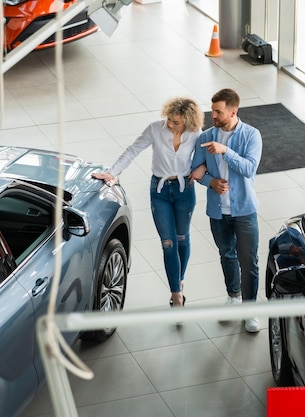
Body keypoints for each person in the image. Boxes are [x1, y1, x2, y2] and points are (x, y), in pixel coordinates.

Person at [92, 97, 204, 308]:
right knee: (168, 244)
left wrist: (203, 169)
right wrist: (112, 173)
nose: (170, 124)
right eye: (169, 119)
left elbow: (206, 159)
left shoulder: (196, 135)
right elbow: (133, 150)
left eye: (176, 122)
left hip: (185, 192)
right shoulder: (155, 129)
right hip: (160, 192)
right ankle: (177, 294)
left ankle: (178, 279)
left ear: (188, 122)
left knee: (182, 239)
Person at [190, 88, 263, 333]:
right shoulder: (206, 136)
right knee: (227, 255)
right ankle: (234, 297)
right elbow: (195, 171)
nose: (214, 115)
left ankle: (250, 309)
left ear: (233, 111)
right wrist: (209, 181)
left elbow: (249, 168)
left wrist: (225, 152)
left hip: (244, 211)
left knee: (249, 262)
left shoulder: (252, 135)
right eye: (213, 110)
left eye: (218, 111)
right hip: (218, 211)